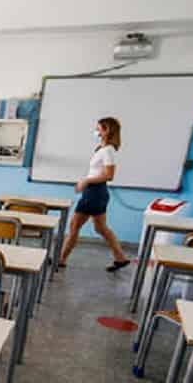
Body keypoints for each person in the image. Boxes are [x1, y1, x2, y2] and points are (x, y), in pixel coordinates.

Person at [58, 116, 130, 272]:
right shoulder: (102, 150)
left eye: (98, 129)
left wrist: (86, 181)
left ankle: (61, 260)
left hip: (95, 193)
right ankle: (121, 258)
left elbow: (109, 175)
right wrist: (86, 182)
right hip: (96, 192)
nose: (96, 132)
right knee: (101, 228)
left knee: (74, 226)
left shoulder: (108, 151)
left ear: (106, 131)